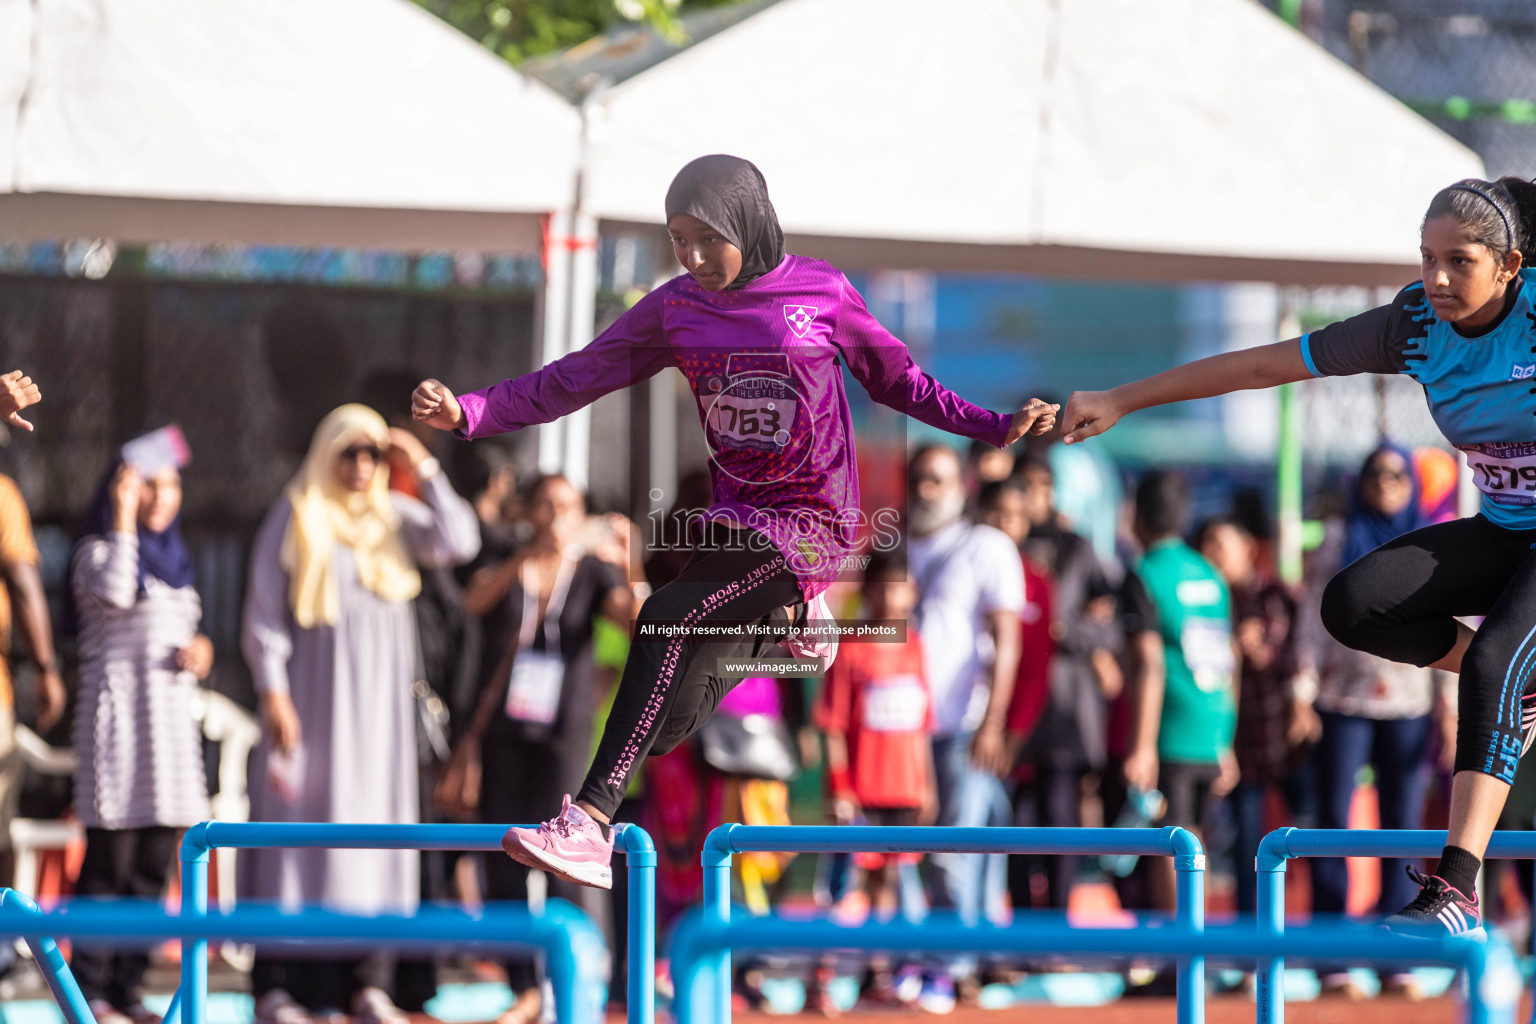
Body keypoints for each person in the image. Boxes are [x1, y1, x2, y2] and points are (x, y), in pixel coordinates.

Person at [410, 154, 1057, 890]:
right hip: (737, 521)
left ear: (747, 222)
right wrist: (473, 411)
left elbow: (900, 380)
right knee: (671, 722)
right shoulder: (677, 306)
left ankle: (588, 822)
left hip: (814, 522)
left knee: (663, 616)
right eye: (677, 239)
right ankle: (792, 628)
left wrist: (993, 426)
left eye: (706, 238)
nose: (691, 256)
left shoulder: (822, 291)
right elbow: (579, 374)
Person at [1061, 175, 1536, 937]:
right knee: (1356, 603)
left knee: (1492, 668)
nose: (1438, 279)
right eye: (1426, 259)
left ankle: (1459, 888)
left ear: (1511, 266)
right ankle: (1520, 690)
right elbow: (1262, 367)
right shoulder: (1414, 325)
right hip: (1509, 527)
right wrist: (1123, 399)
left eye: (1461, 262)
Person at [240, 405, 479, 1024]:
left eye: (372, 453)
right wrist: (272, 693)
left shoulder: (393, 517)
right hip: (310, 707)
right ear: (326, 454)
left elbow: (461, 539)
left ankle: (367, 985)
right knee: (300, 840)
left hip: (379, 720)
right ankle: (282, 987)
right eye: (349, 452)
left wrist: (421, 463)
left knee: (376, 838)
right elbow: (264, 613)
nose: (361, 465)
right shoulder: (296, 513)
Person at [440, 473, 631, 1024]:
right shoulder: (508, 557)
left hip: (562, 736)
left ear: (578, 514)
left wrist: (628, 563)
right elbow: (472, 602)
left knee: (561, 862)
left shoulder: (594, 570)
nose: (553, 516)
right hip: (502, 733)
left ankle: (568, 983)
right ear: (528, 512)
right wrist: (525, 556)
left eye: (564, 506)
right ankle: (524, 986)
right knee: (505, 861)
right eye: (544, 505)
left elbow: (634, 618)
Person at [1297, 445, 1454, 998]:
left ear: (1412, 483)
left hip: (1409, 702)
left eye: (1396, 475)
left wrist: (1449, 703)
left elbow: (1447, 624)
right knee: (1332, 825)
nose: (1386, 483)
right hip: (1342, 700)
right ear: (1359, 483)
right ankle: (1331, 955)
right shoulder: (1340, 539)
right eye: (1375, 475)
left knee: (1403, 828)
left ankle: (1396, 956)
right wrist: (1301, 690)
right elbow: (1312, 618)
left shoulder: (1430, 542)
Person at [69, 456, 212, 1024]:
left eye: (170, 485)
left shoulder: (178, 563)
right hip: (120, 734)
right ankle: (90, 992)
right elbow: (119, 593)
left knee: (154, 865)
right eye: (147, 485)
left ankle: (126, 989)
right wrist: (122, 516)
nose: (160, 496)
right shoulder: (97, 554)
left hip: (169, 739)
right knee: (110, 865)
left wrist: (202, 653)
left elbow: (185, 628)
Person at [905, 446, 1024, 1010]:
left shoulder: (988, 547)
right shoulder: (891, 547)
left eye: (939, 479)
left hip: (966, 726)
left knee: (958, 849)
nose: (928, 489)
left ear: (962, 485)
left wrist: (994, 722)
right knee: (907, 853)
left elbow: (1009, 641)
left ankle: (957, 964)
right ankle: (928, 960)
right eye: (920, 479)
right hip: (899, 730)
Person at [814, 548, 935, 1005]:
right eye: (882, 585)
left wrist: (926, 785)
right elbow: (831, 725)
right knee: (846, 887)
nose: (891, 595)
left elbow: (922, 723)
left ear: (912, 592)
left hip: (903, 790)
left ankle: (877, 974)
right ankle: (821, 977)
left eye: (899, 585)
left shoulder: (916, 646)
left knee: (888, 883)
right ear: (867, 591)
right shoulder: (850, 645)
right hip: (861, 793)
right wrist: (841, 787)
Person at [1121, 473, 1238, 910]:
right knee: (1196, 846)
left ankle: (1181, 964)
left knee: (1171, 847)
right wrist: (1225, 741)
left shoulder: (1144, 574)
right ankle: (1195, 960)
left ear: (1138, 516)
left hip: (1170, 732)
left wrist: (1142, 746)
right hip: (1211, 731)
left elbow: (1148, 662)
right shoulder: (1210, 574)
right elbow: (1230, 659)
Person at [1194, 515, 1315, 929]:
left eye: (1220, 545)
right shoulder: (1208, 600)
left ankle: (1323, 941)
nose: (1212, 555)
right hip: (1239, 747)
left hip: (1287, 743)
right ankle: (1250, 947)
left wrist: (1300, 699)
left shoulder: (1277, 596)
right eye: (1206, 545)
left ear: (1247, 548)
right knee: (1249, 850)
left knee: (1311, 843)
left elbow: (1298, 654)